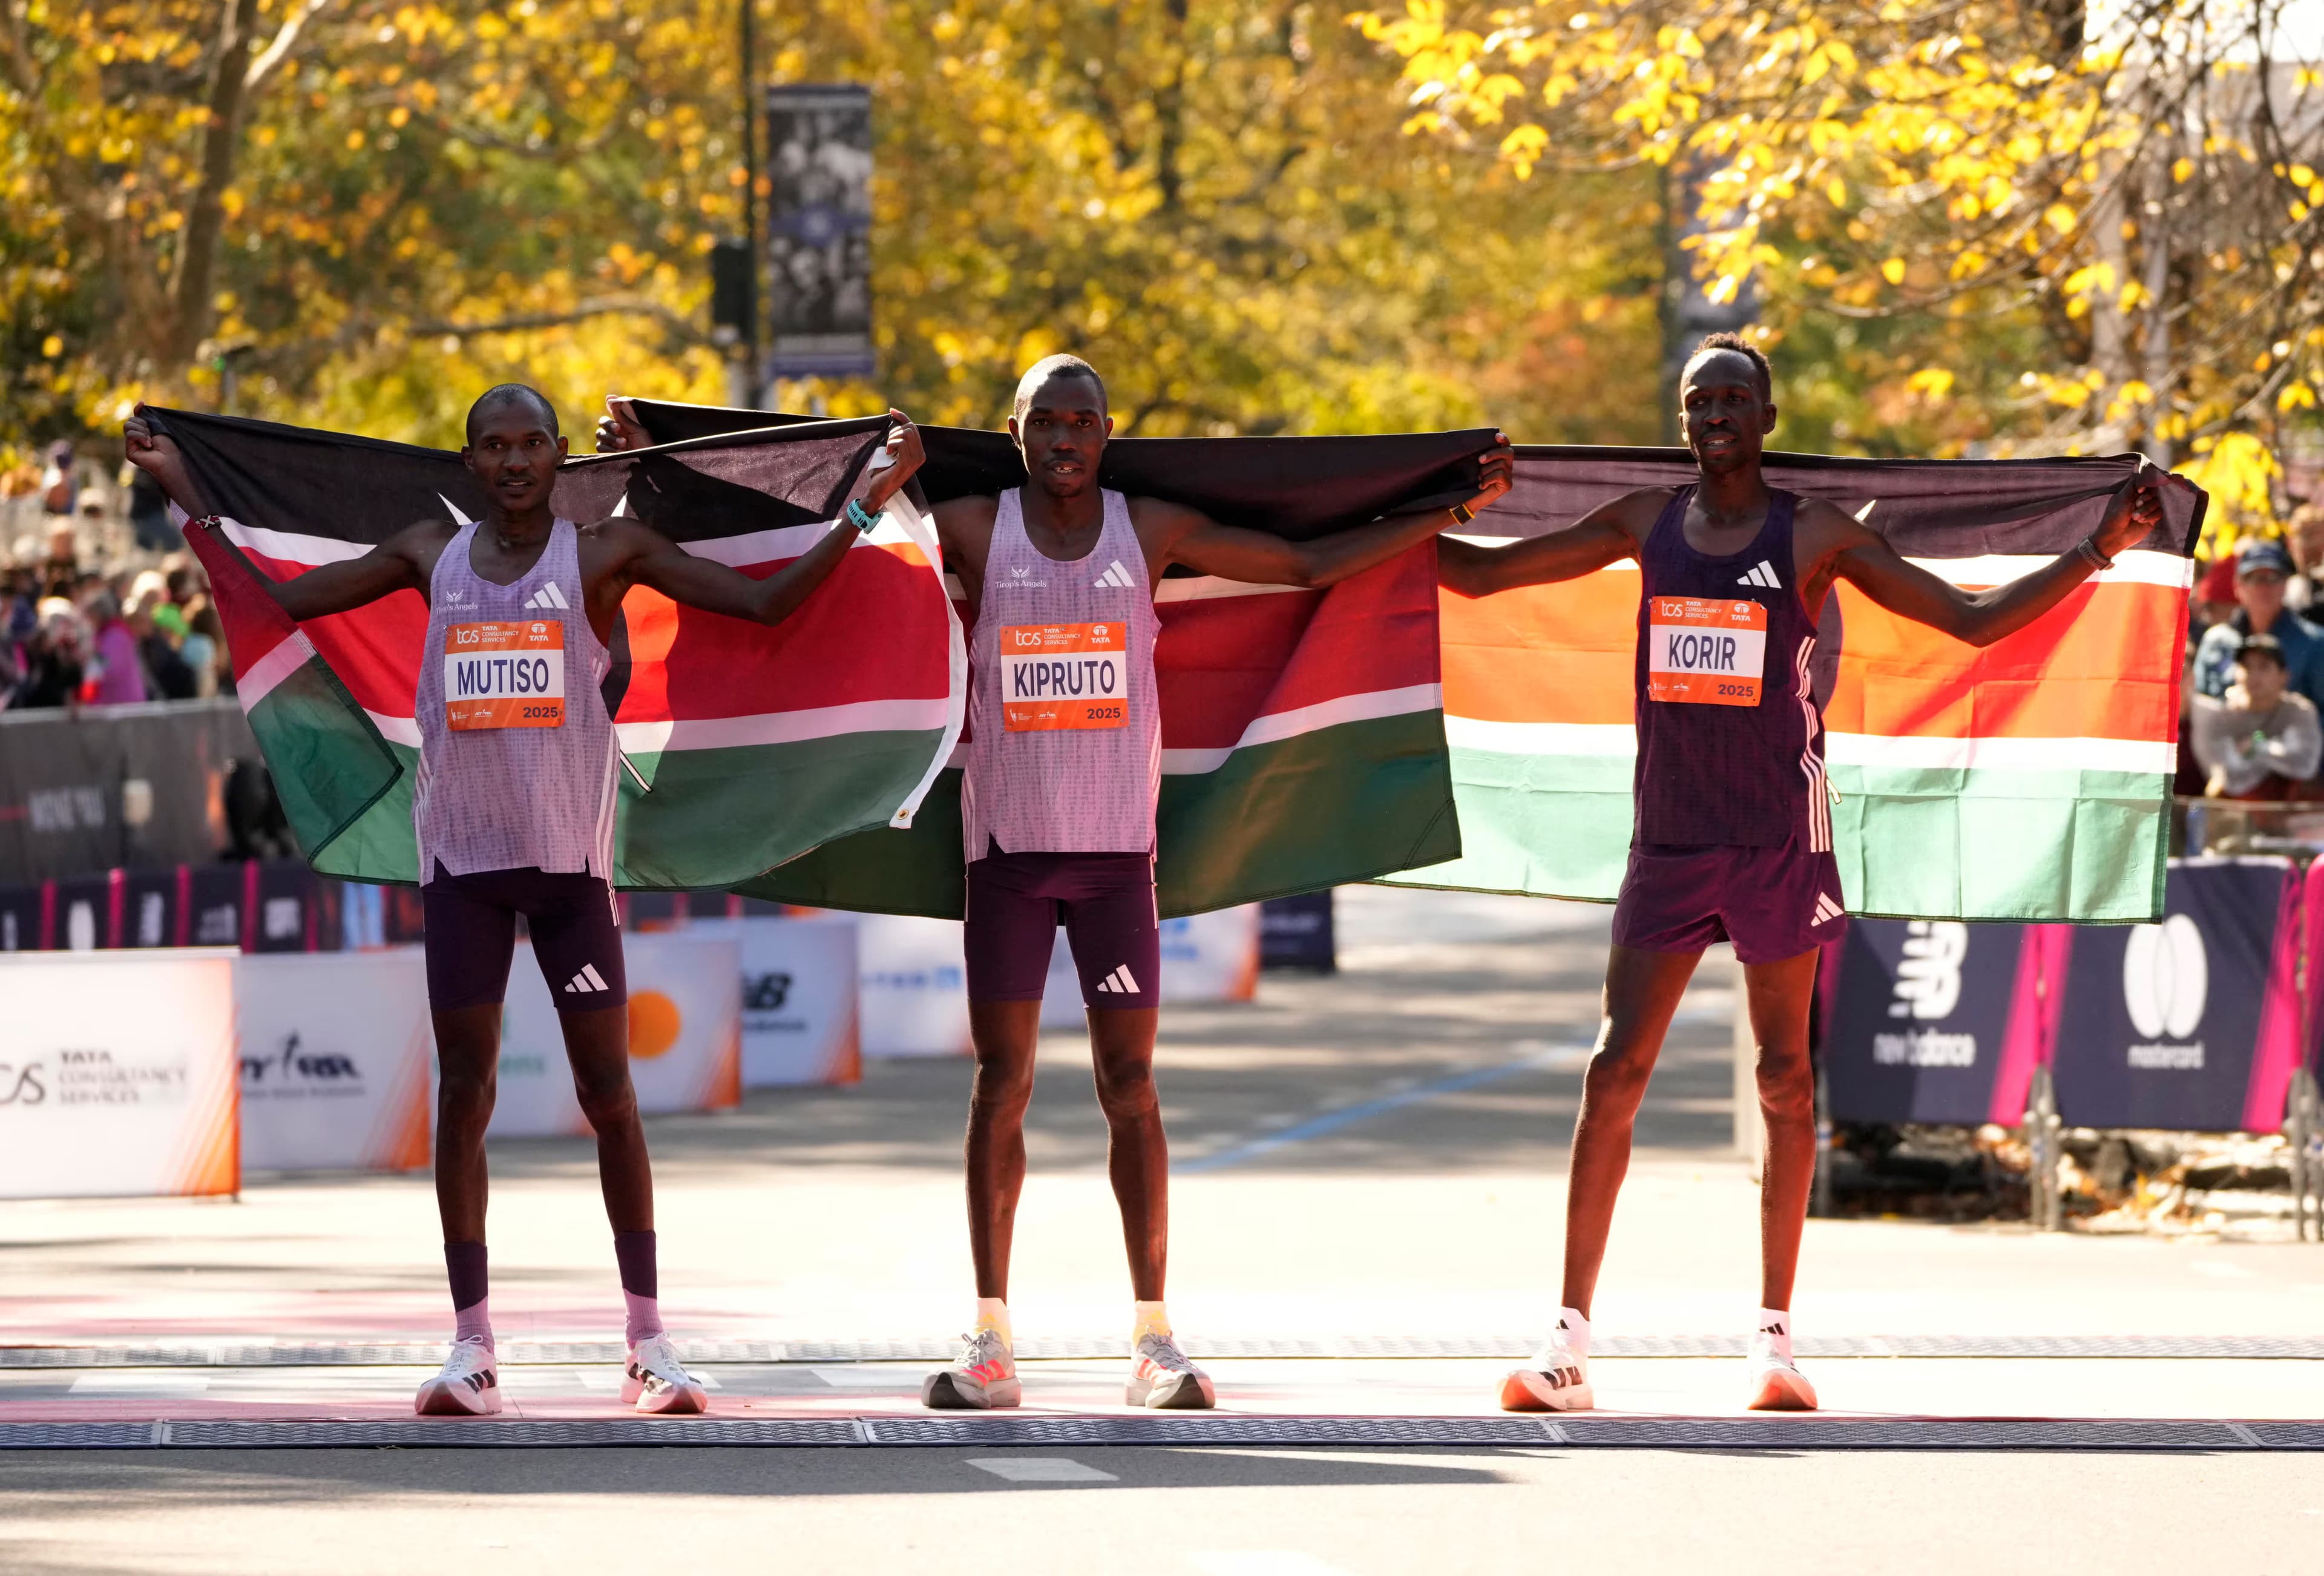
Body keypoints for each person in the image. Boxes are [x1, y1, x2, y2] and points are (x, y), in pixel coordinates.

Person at [125, 385, 928, 1418]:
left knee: (610, 1097)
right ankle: (472, 1345)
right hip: (463, 865)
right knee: (464, 1094)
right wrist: (188, 490)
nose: (513, 461)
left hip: (567, 875)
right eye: (493, 446)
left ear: (556, 457)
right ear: (468, 463)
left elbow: (767, 603)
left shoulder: (600, 555)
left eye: (530, 444)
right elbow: (287, 594)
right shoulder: (428, 553)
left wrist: (864, 502)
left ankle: (648, 1341)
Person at [1439, 332, 2164, 1414]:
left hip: (1779, 834)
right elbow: (1491, 573)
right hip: (1672, 838)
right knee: (1613, 1070)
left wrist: (2097, 550)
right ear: (1682, 418)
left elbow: (1966, 625)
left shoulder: (1812, 533)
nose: (1717, 412)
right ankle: (1567, 1342)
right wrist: (1394, 523)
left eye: (1736, 397)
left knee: (1786, 1075)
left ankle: (1774, 1341)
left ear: (1767, 420)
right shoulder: (1644, 520)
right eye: (1700, 399)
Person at [901, 356, 1509, 1411]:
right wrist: (674, 459)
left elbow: (1308, 564)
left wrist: (1443, 505)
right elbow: (831, 535)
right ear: (1014, 431)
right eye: (1045, 420)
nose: (1064, 437)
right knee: (1002, 1083)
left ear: (1105, 433)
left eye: (1082, 421)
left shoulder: (1149, 530)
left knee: (1128, 1088)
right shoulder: (966, 523)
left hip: (1112, 862)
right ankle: (991, 1333)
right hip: (1005, 851)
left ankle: (1153, 1336)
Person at [2190, 632, 2322, 800]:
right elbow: (2231, 779)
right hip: (2236, 814)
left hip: (2290, 815)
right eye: (2246, 666)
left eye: (2264, 666)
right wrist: (2280, 751)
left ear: (2284, 676)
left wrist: (2257, 747)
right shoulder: (2220, 716)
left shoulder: (2300, 712)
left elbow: (2305, 765)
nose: (2253, 675)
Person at [2193, 540, 2324, 704]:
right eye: (2254, 578)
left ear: (2285, 585)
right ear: (2238, 586)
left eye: (2274, 578)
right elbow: (2198, 706)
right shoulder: (2216, 641)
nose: (2265, 587)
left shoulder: (2315, 643)